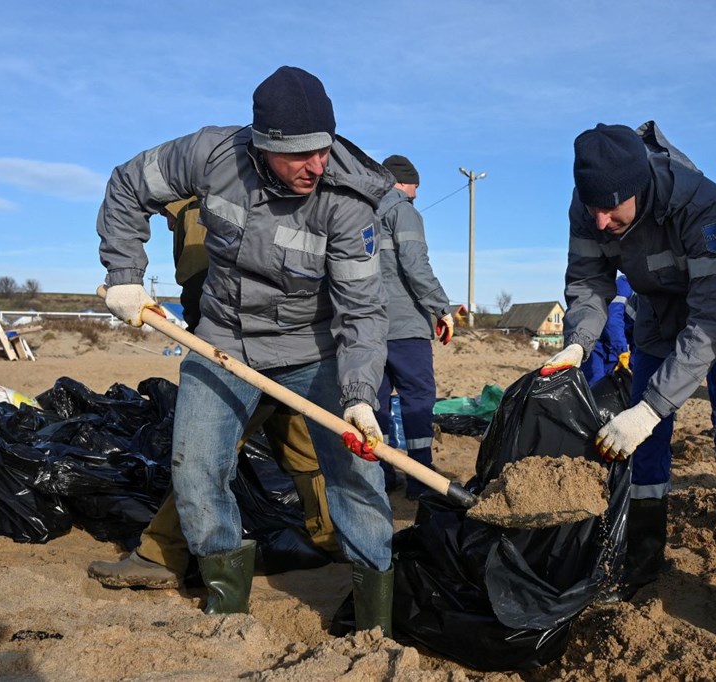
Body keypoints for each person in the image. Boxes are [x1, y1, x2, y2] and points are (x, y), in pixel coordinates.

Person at [96, 66, 394, 635]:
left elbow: (361, 310)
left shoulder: (348, 199)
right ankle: (226, 608)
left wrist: (358, 395)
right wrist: (126, 272)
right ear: (262, 145)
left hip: (317, 350)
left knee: (356, 472)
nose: (316, 166)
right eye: (299, 155)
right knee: (196, 465)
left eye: (323, 150)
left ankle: (375, 614)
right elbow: (128, 184)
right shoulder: (211, 155)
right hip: (223, 340)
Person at [545, 121, 716, 602]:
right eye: (593, 209)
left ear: (640, 188)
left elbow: (713, 314)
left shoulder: (699, 202)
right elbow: (588, 281)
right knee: (642, 441)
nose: (600, 221)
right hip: (656, 310)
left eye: (610, 208)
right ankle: (642, 559)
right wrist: (578, 343)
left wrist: (652, 406)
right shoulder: (589, 208)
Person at [88, 197, 339, 589]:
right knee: (302, 443)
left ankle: (161, 554)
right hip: (284, 340)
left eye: (163, 216)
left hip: (238, 350)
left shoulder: (194, 215)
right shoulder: (233, 202)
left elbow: (201, 289)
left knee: (207, 450)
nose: (165, 225)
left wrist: (206, 341)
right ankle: (332, 536)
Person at [373, 154, 454, 500]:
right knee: (418, 400)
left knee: (376, 401)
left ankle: (380, 473)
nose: (416, 195)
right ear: (402, 182)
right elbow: (416, 266)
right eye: (414, 186)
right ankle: (420, 476)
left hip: (369, 326)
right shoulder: (402, 210)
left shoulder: (362, 213)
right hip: (406, 325)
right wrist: (441, 308)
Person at [579, 273, 634, 385]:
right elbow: (613, 321)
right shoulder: (625, 285)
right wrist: (622, 350)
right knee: (596, 382)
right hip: (596, 341)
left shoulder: (649, 295)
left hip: (612, 346)